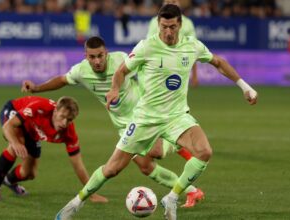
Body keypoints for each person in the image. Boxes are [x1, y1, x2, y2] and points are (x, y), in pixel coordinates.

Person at [55, 4, 258, 220]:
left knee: (204, 151)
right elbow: (122, 70)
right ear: (158, 25)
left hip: (177, 116)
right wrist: (114, 88)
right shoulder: (146, 47)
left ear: (180, 24)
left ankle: (172, 197)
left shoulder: (192, 46)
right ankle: (76, 203)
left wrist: (245, 87)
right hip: (145, 118)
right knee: (113, 169)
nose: (168, 32)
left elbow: (218, 62)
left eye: (172, 27)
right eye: (163, 27)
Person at [21, 36, 204, 208]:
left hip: (144, 116)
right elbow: (62, 80)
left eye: (100, 56)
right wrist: (37, 88)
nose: (97, 61)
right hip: (123, 126)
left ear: (106, 53)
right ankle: (192, 191)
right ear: (86, 57)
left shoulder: (120, 60)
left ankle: (178, 141)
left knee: (156, 152)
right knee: (146, 166)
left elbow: (145, 71)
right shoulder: (81, 71)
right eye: (92, 57)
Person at [0, 96, 107, 203]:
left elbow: (78, 165)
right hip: (14, 112)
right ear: (55, 111)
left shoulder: (69, 134)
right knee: (17, 143)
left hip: (32, 129)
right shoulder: (39, 108)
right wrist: (15, 143)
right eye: (62, 116)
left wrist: (90, 193)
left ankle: (9, 180)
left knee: (29, 173)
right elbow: (8, 126)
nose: (64, 123)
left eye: (69, 119)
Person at [147, 0, 199, 87]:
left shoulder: (188, 23)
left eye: (174, 1)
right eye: (167, 2)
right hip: (158, 69)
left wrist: (194, 75)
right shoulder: (154, 21)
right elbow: (149, 47)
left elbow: (192, 49)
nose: (170, 4)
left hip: (179, 69)